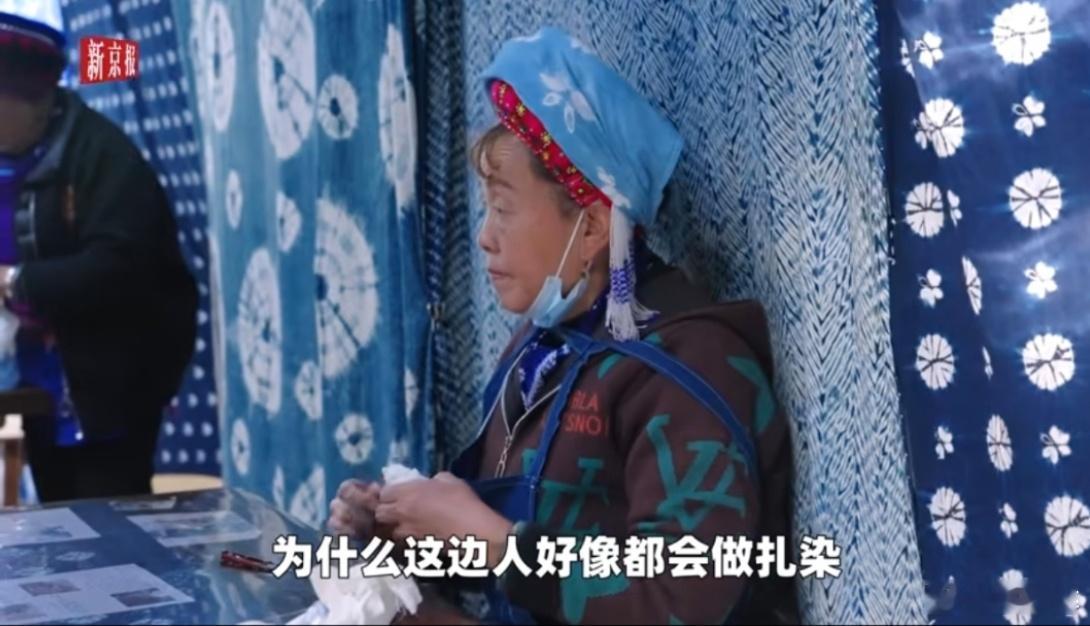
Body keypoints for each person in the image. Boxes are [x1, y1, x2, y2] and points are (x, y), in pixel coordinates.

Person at [329, 27, 798, 625]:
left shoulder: (684, 372)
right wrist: (408, 529)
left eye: (503, 209)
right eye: (485, 210)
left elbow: (684, 597)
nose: (485, 237)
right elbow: (528, 547)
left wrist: (496, 543)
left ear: (594, 226)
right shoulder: (544, 349)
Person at [0, 12, 198, 502]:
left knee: (110, 522)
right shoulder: (17, 157)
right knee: (59, 522)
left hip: (111, 385)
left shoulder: (104, 156)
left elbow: (119, 268)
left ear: (35, 98)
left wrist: (13, 282)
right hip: (41, 385)